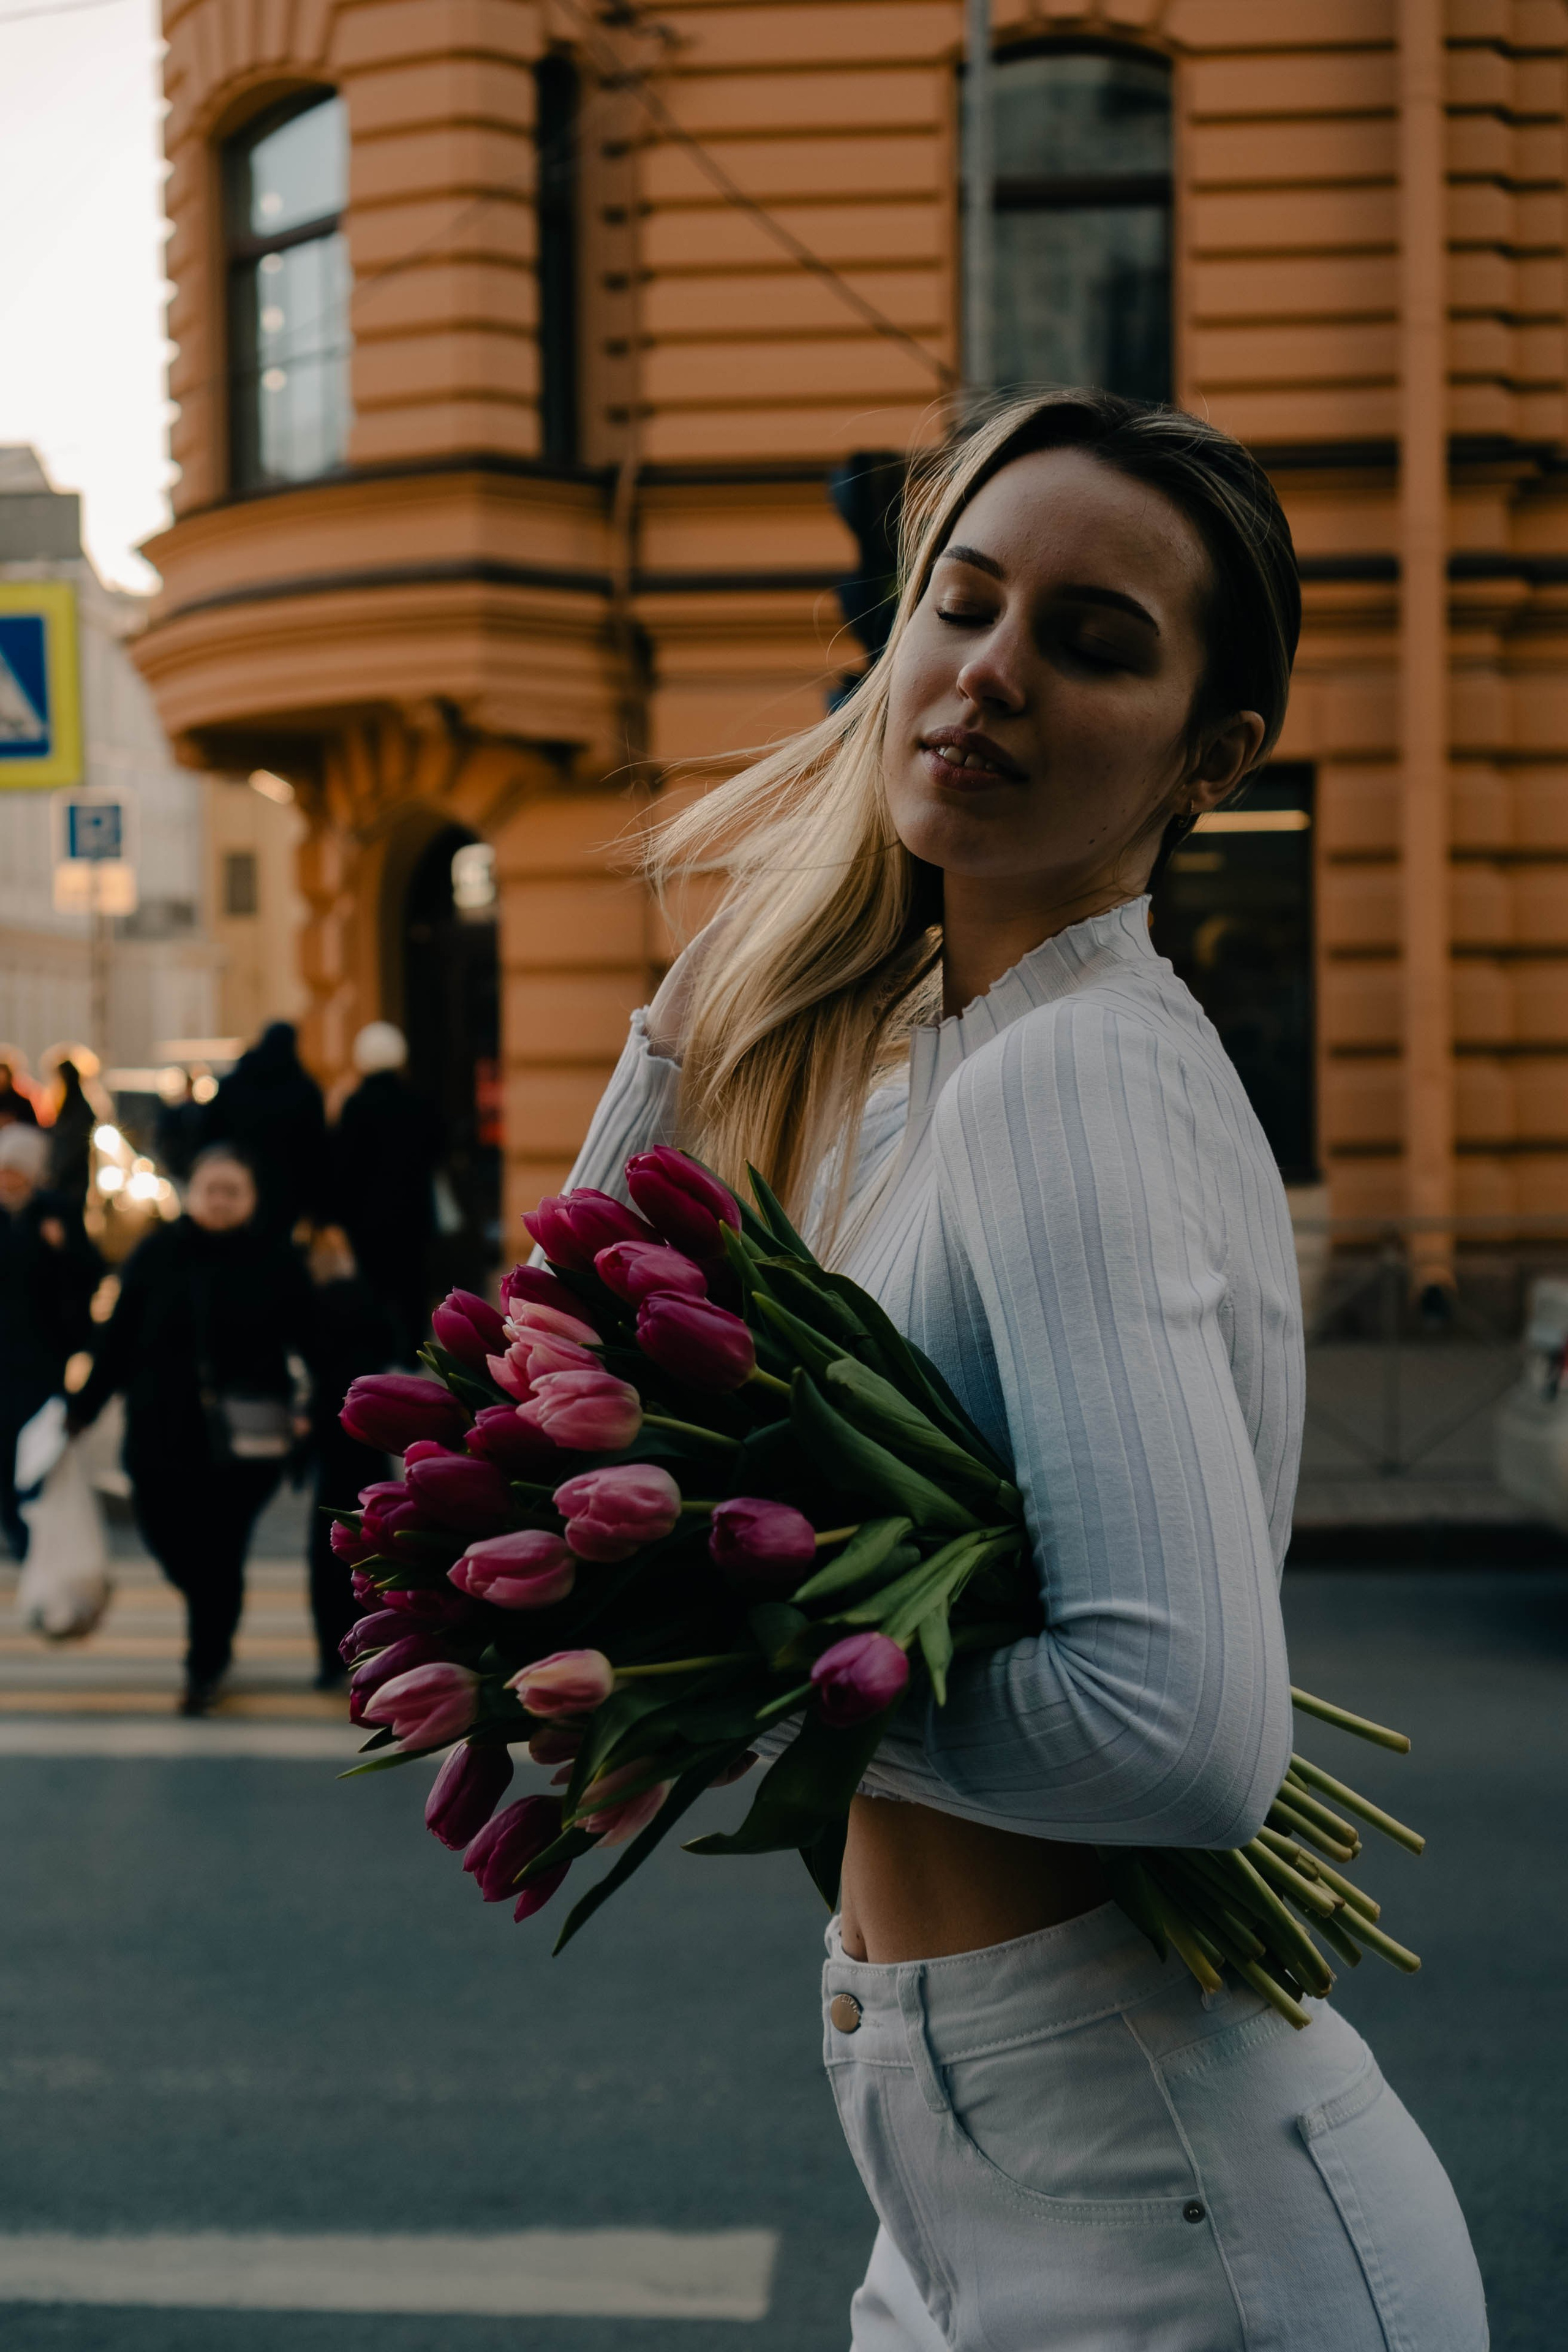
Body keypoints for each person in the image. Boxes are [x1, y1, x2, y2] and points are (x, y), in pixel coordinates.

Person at [559, 393, 1487, 2350]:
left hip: (1172, 2222)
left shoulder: (1072, 1073)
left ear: (1208, 755)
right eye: (956, 609)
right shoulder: (928, 1069)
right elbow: (572, 1340)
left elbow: (1179, 1729)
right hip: (980, 2175)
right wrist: (729, 959)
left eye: (1089, 642)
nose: (988, 674)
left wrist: (742, 1670)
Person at [67, 1145, 315, 1715]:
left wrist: (318, 1409)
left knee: (220, 1554)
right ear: (191, 1193)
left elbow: (314, 1340)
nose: (222, 1201)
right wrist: (83, 1407)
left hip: (247, 1444)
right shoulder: (158, 1254)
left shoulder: (273, 1259)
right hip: (160, 1433)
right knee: (169, 1541)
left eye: (234, 1190)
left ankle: (205, 1663)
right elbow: (118, 1337)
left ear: (251, 1199)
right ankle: (211, 1629)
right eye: (212, 1189)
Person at [302, 1223, 396, 1687]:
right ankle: (375, 1646)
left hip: (329, 1433)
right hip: (370, 1431)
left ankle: (329, 1655)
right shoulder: (368, 1296)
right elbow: (391, 1346)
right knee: (374, 1538)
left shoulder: (311, 1301)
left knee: (328, 1550)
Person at [0, 1125, 99, 1558]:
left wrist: (62, 1249)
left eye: (17, 1171)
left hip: (44, 1349)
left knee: (38, 1435)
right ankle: (14, 1520)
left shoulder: (54, 1211)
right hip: (3, 1349)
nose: (10, 1179)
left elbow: (91, 1270)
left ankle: (31, 1517)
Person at [329, 1021, 445, 1362]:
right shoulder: (418, 1101)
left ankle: (378, 1352)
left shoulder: (355, 1105)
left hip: (366, 1218)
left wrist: (338, 1213)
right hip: (412, 1212)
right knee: (412, 1285)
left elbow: (343, 1164)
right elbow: (437, 1148)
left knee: (374, 1286)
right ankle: (414, 1353)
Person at [202, 1021, 327, 1237]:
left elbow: (209, 1134)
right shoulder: (303, 1090)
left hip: (239, 1181)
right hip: (286, 1191)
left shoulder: (235, 1085)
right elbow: (316, 1151)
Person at [43, 1057, 96, 1210]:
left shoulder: (77, 1109)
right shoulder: (72, 1107)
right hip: (71, 1178)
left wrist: (58, 1173)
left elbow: (73, 1146)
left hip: (72, 1181)